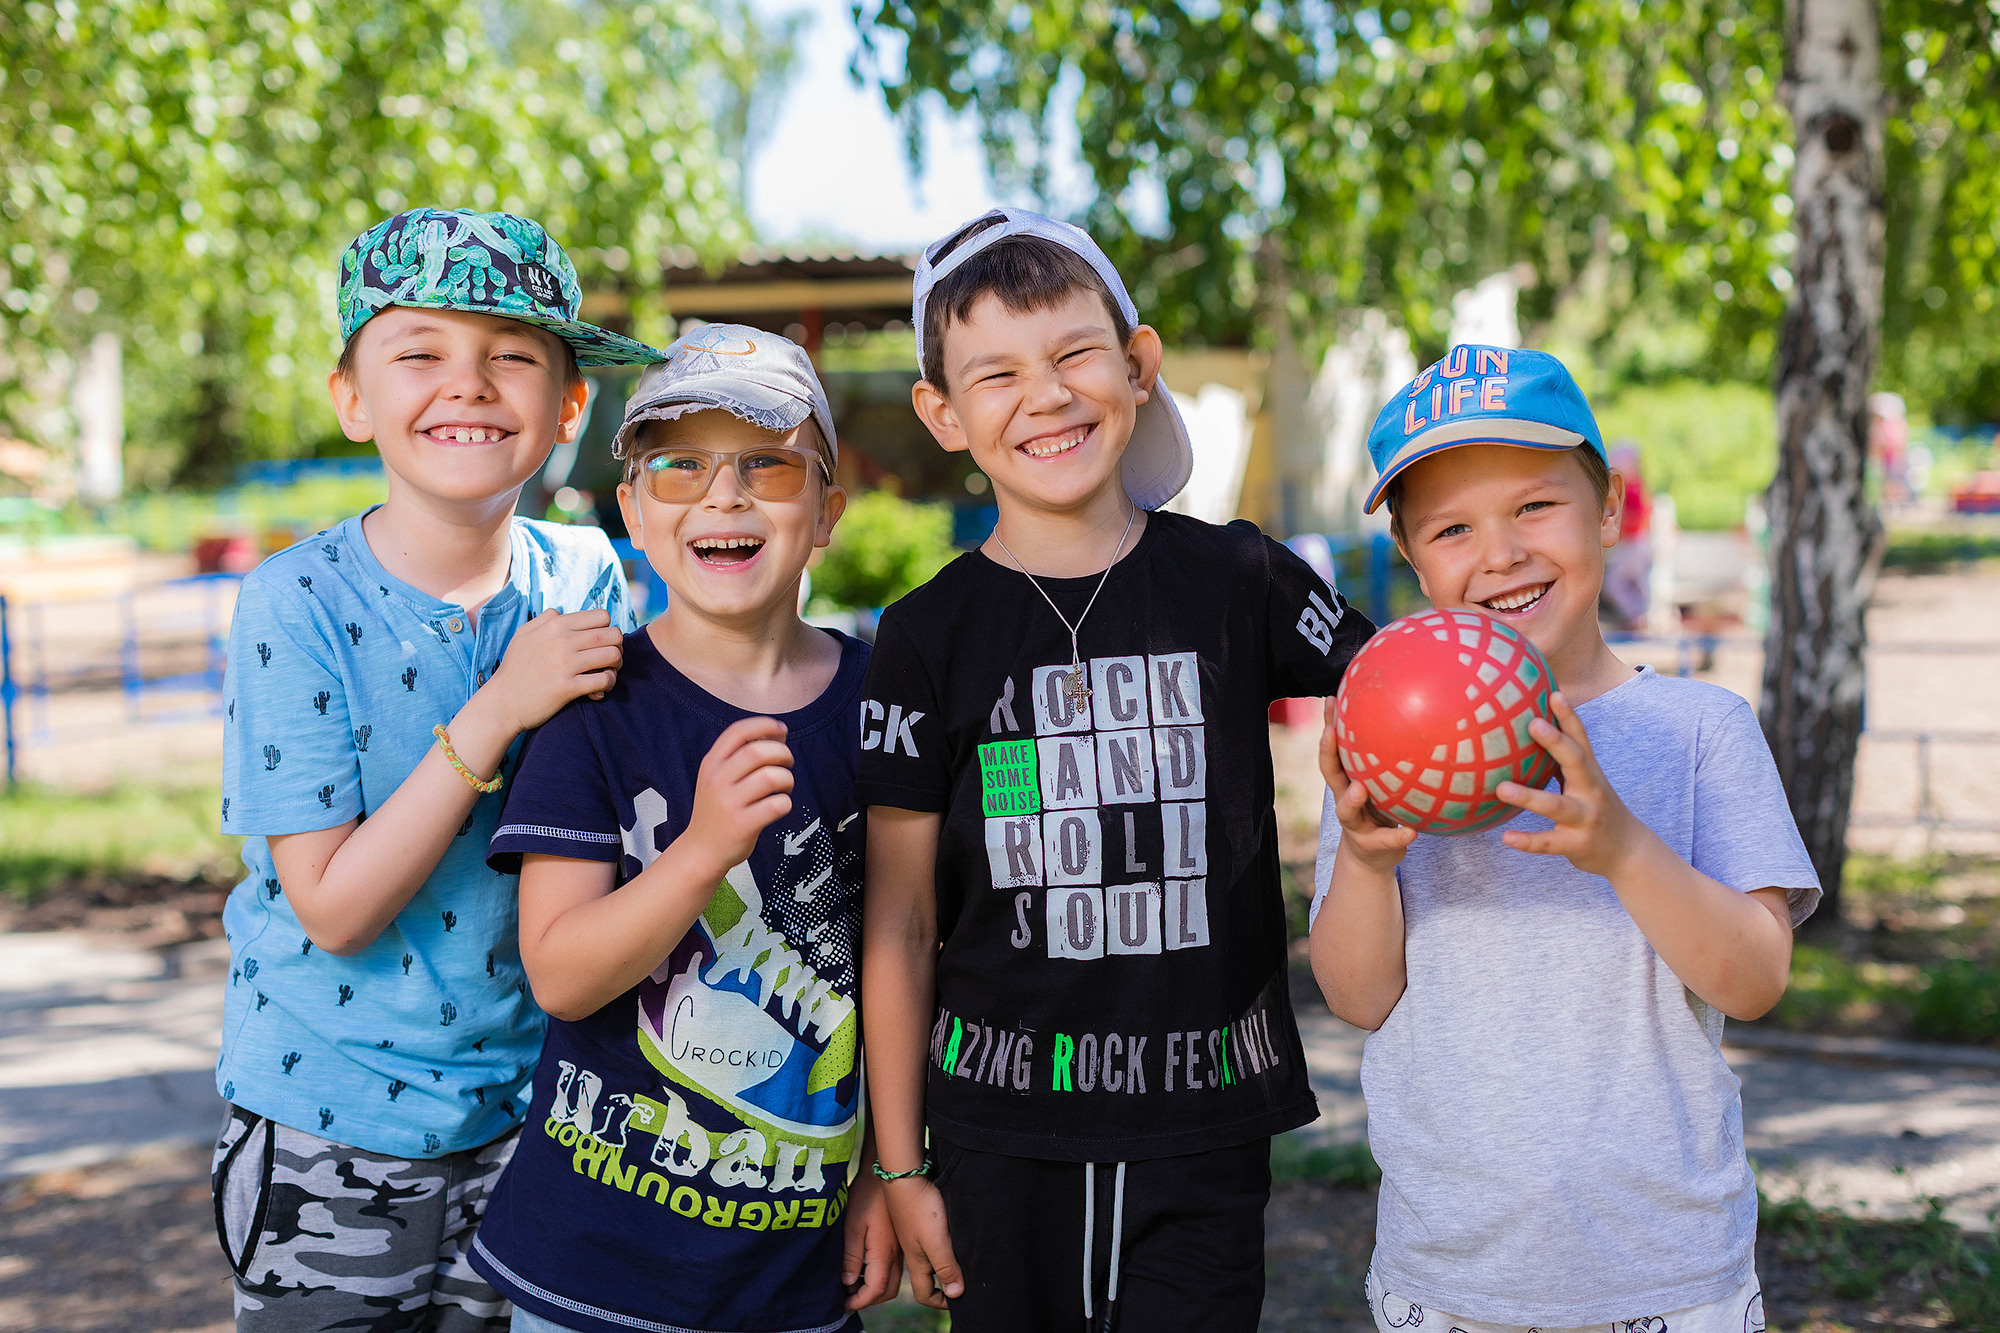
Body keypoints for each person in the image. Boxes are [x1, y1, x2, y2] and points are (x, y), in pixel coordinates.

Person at [858, 208, 1375, 1332]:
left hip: (1203, 1122)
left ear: (1137, 366)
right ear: (941, 415)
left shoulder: (1237, 575)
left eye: (1072, 353)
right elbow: (897, 924)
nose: (1042, 395)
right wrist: (898, 1169)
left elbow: (1404, 684)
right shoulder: (922, 636)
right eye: (992, 374)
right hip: (997, 1129)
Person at [1310, 346, 1820, 1333]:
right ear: (1413, 560)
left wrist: (1621, 846)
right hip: (1448, 1278)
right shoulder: (1381, 738)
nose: (1497, 552)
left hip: (1668, 1277)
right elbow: (1356, 997)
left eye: (1532, 507)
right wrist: (1368, 863)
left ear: (1609, 510)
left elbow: (1754, 981)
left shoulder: (1697, 730)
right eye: (1451, 527)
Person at [213, 207, 660, 1330]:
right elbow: (335, 908)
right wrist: (503, 705)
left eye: (510, 358)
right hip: (328, 1126)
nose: (466, 385)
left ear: (567, 409)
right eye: (419, 353)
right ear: (353, 398)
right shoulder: (295, 603)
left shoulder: (587, 577)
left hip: (535, 1121)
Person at [468, 325, 899, 1333]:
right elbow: (562, 973)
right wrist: (701, 849)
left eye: (766, 465)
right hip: (594, 1273)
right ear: (632, 510)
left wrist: (890, 1165)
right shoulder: (595, 711)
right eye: (678, 466)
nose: (724, 494)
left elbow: (902, 950)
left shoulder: (884, 702)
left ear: (826, 512)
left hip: (792, 1271)